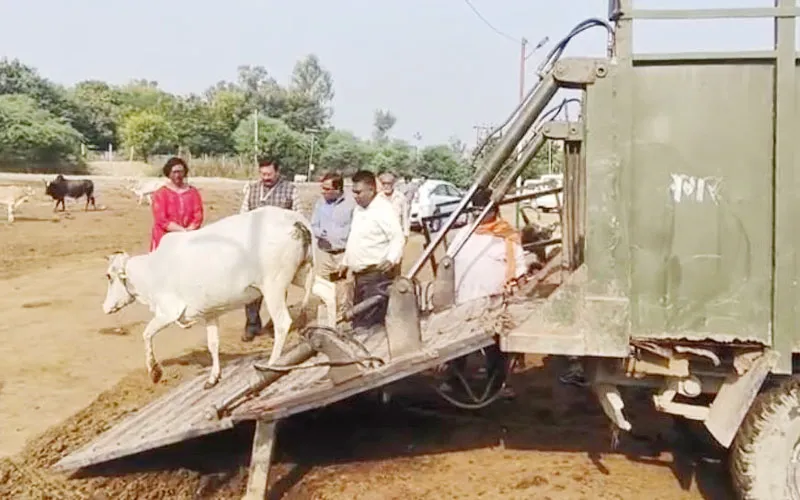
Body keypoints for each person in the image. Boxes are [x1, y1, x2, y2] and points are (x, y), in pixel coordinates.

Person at [441, 186, 528, 398]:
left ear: (495, 210)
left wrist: (519, 295)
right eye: (475, 211)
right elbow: (448, 264)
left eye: (484, 210)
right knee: (458, 345)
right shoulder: (463, 233)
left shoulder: (507, 236)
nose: (478, 215)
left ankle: (497, 386)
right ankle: (453, 380)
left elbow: (519, 268)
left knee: (495, 348)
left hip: (493, 304)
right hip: (464, 300)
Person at [239, 157, 300, 342]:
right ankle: (252, 325)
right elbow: (242, 215)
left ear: (278, 172)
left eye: (269, 174)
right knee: (252, 287)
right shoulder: (251, 189)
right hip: (255, 247)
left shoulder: (291, 190)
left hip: (279, 249)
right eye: (262, 173)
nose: (265, 177)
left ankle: (276, 324)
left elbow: (298, 217)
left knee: (278, 288)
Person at [336, 170, 405, 330]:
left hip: (375, 276)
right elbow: (355, 238)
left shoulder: (383, 210)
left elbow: (397, 237)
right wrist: (345, 262)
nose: (355, 196)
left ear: (371, 190)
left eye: (358, 192)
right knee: (358, 320)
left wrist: (391, 259)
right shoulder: (359, 210)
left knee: (370, 325)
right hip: (360, 278)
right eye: (353, 192)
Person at [310, 171, 356, 318]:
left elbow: (356, 230)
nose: (323, 192)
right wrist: (319, 232)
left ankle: (342, 320)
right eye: (322, 188)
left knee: (344, 289)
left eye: (327, 189)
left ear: (338, 189)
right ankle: (324, 321)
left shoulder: (351, 205)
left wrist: (348, 257)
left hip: (343, 253)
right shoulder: (320, 203)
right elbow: (313, 224)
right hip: (323, 253)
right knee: (323, 289)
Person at [149, 157, 204, 252]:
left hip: (188, 238)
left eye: (180, 172)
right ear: (168, 173)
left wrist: (189, 230)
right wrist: (181, 231)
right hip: (164, 239)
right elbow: (161, 220)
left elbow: (198, 216)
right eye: (174, 172)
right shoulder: (161, 194)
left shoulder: (193, 192)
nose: (178, 175)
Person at [378, 171, 411, 240]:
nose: (386, 186)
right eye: (384, 183)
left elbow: (405, 217)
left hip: (396, 233)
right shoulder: (377, 198)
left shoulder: (401, 197)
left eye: (389, 183)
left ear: (393, 184)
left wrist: (406, 233)